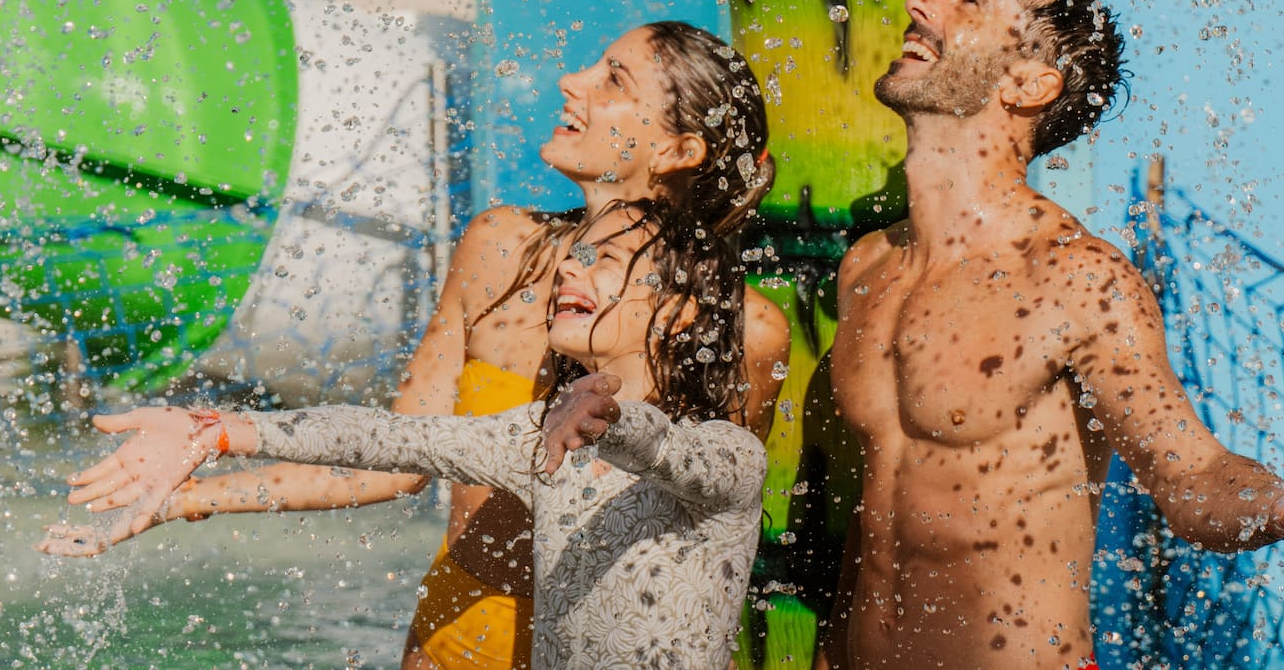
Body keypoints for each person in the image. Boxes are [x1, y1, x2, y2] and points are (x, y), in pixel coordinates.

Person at [37, 20, 789, 670]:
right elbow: (392, 455)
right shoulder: (500, 247)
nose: (572, 80)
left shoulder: (741, 330)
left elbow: (717, 540)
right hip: (460, 639)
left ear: (680, 146)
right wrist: (192, 489)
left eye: (613, 78)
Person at [818, 0, 1284, 669]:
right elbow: (873, 525)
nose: (922, 4)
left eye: (966, 1)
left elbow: (1192, 475)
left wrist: (1277, 506)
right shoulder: (869, 267)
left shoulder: (1077, 278)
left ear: (1030, 84)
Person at [41, 201, 769, 669]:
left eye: (605, 260)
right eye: (578, 253)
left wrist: (615, 420)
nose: (572, 266)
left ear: (676, 314)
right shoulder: (539, 439)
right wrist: (219, 429)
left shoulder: (728, 459)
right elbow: (387, 439)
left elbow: (682, 457)